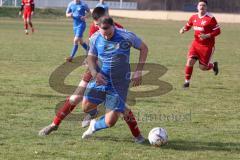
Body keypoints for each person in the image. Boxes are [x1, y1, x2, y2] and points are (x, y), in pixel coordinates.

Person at [39, 9, 145, 143]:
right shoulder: (95, 32)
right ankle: (56, 124)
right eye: (95, 24)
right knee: (76, 98)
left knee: (120, 109)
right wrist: (93, 70)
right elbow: (91, 53)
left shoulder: (121, 31)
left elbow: (136, 47)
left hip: (115, 76)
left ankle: (136, 135)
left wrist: (136, 70)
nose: (95, 26)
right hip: (95, 70)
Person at [81, 16, 148, 140]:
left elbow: (144, 48)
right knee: (85, 107)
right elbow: (90, 57)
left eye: (109, 33)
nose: (106, 37)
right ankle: (118, 107)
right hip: (101, 77)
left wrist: (138, 71)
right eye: (103, 34)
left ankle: (94, 125)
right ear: (99, 28)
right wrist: (95, 73)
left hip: (119, 82)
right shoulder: (95, 37)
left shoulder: (126, 36)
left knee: (110, 122)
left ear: (114, 26)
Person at [179, 0, 221, 88]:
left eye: (204, 5)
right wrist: (183, 29)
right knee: (190, 61)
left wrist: (207, 35)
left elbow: (218, 31)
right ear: (197, 7)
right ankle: (187, 82)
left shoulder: (210, 18)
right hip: (196, 44)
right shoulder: (193, 17)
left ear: (206, 7)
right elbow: (188, 25)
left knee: (203, 68)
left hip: (207, 46)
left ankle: (213, 65)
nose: (202, 7)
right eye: (200, 5)